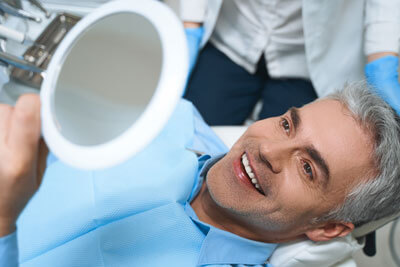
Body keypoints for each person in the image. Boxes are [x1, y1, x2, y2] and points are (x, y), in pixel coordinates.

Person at [1, 82, 400, 266]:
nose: (267, 150)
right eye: (287, 124)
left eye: (308, 168)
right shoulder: (166, 117)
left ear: (328, 228)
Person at [182, 0, 400, 125]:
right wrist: (191, 22)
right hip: (233, 36)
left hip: (307, 59)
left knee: (282, 166)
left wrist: (382, 56)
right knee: (190, 136)